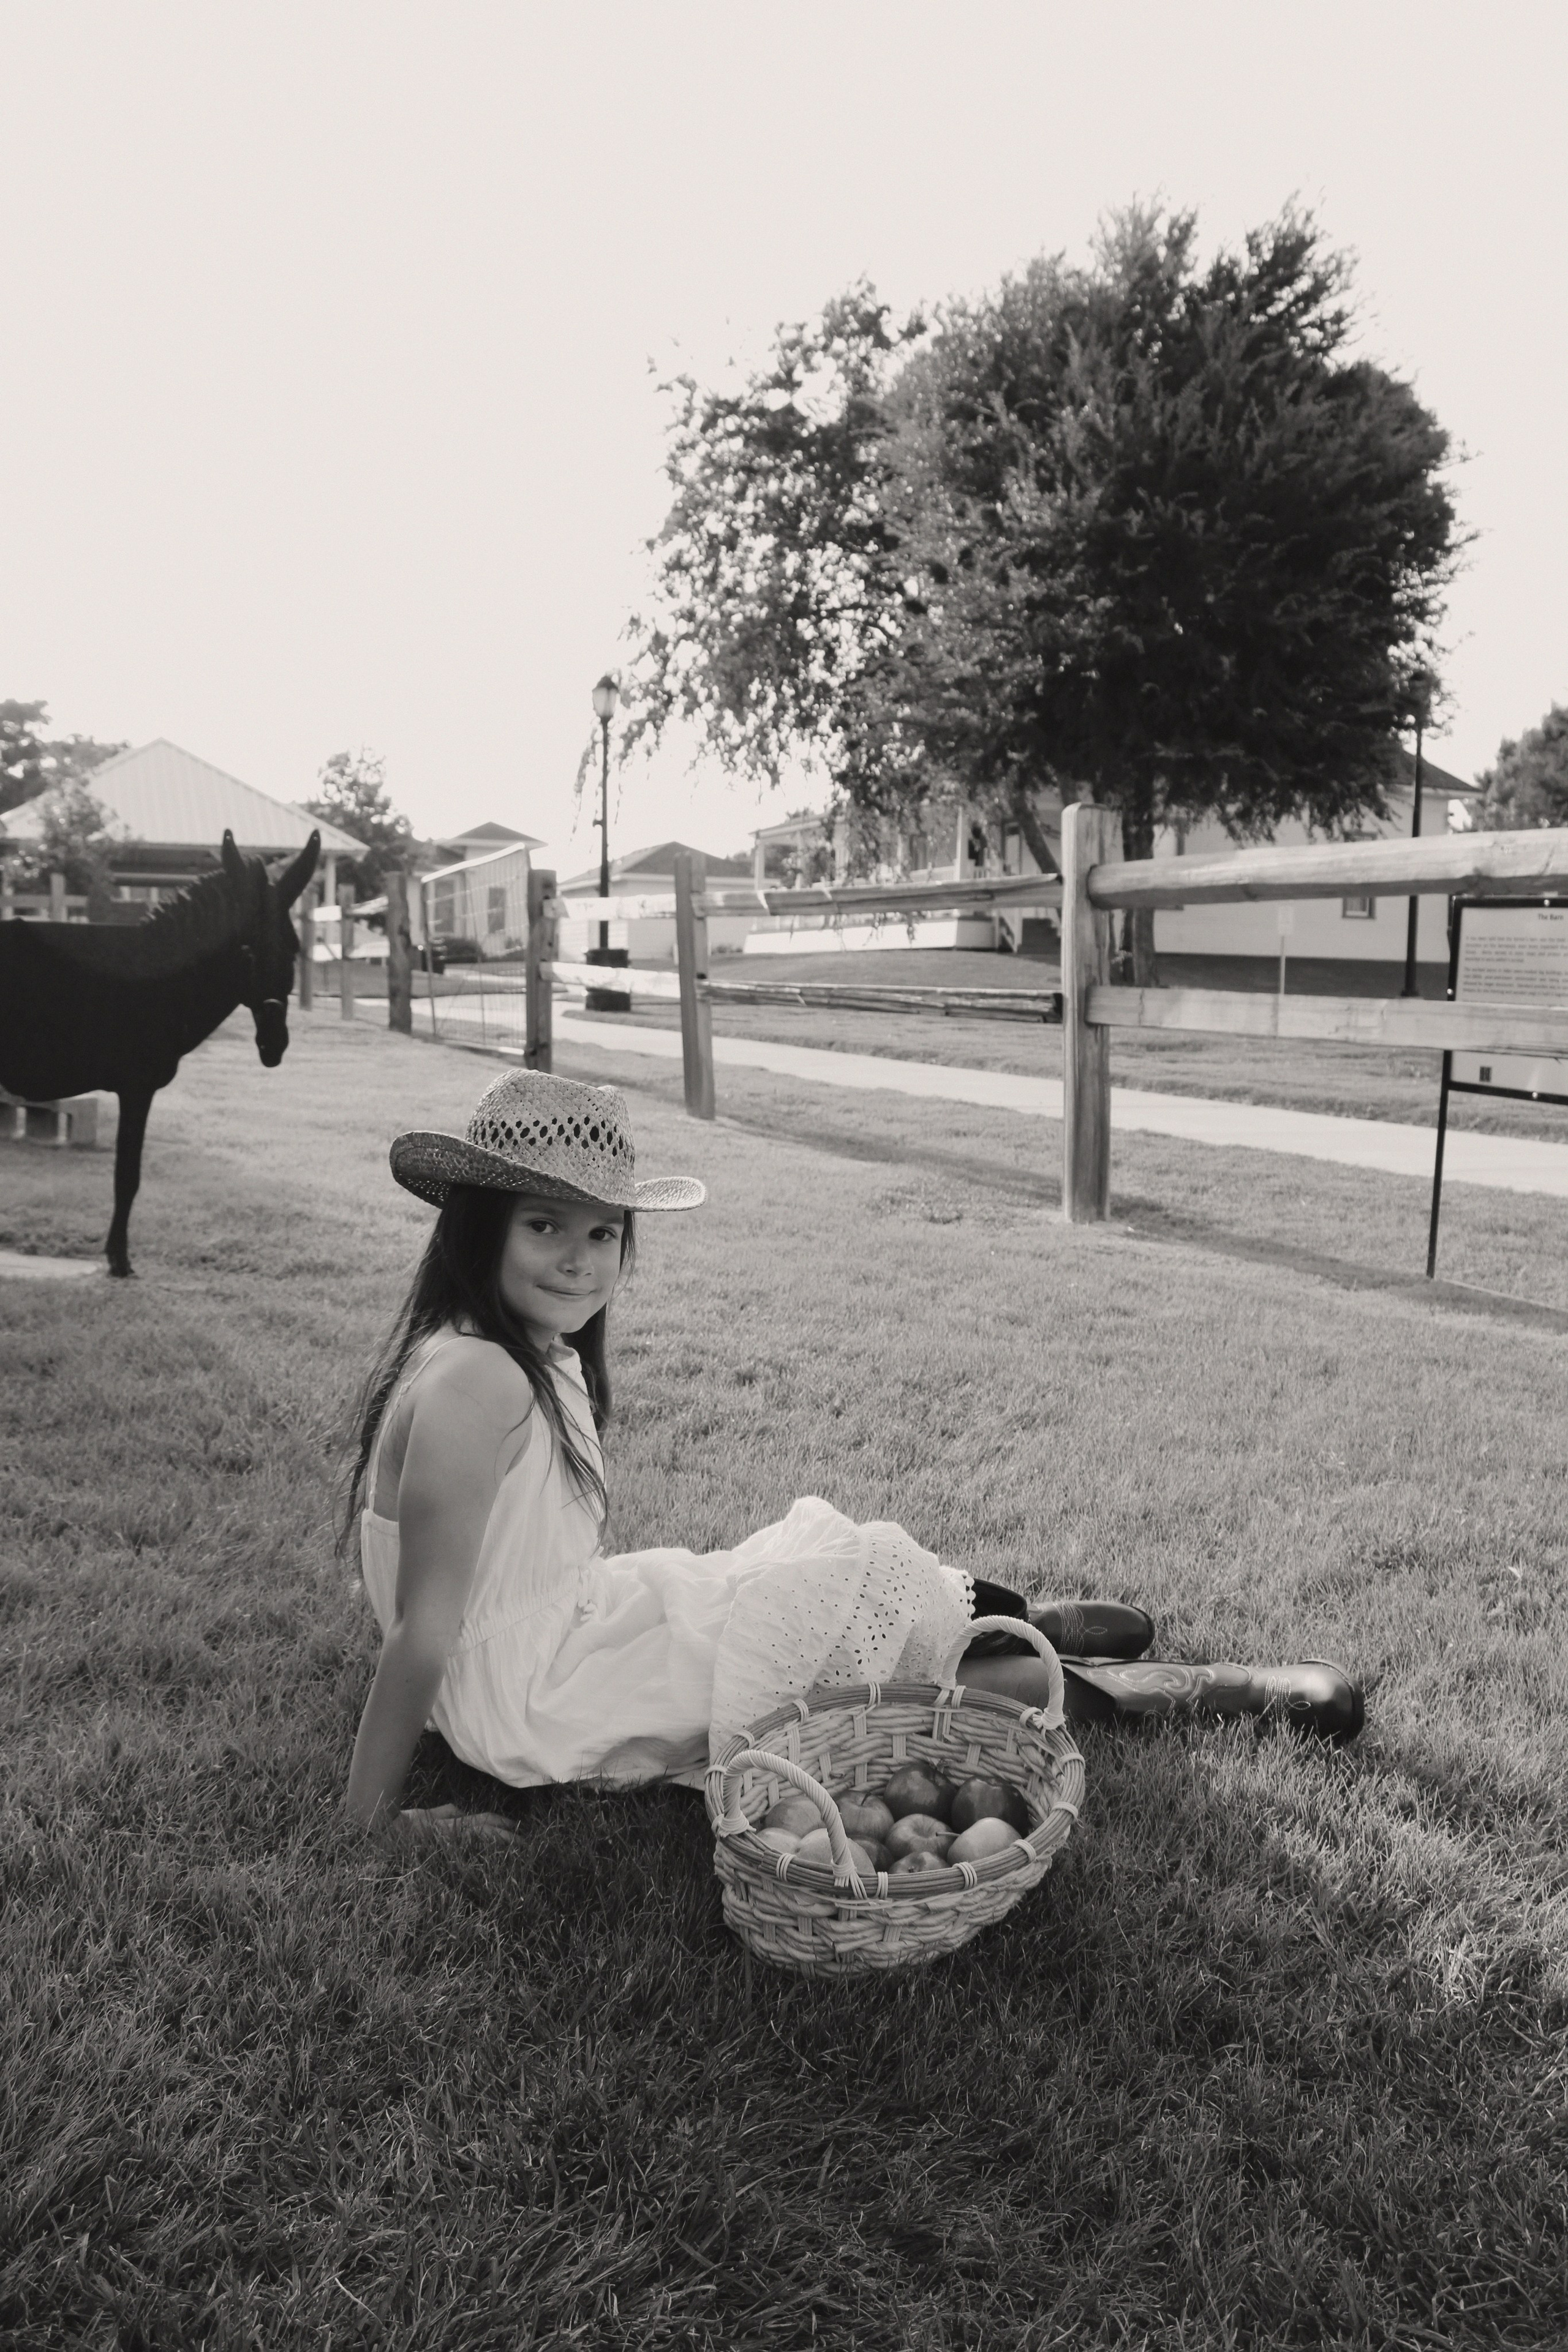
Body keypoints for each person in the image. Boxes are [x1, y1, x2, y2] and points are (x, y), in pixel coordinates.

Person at [342, 1068, 1088, 1837]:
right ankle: (1054, 1670)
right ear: (478, 1223)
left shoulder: (514, 1350)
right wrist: (372, 1820)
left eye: (601, 1232)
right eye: (543, 1225)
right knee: (807, 1652)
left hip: (577, 1625)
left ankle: (1011, 1625)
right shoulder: (475, 1381)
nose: (579, 1259)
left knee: (768, 1588)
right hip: (541, 1693)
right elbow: (423, 1630)